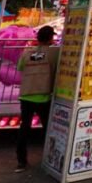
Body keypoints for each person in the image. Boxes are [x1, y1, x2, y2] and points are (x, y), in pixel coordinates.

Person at [16, 25, 60, 172]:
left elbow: (20, 67)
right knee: (48, 128)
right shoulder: (54, 52)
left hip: (26, 95)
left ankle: (21, 160)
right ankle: (50, 157)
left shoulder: (27, 53)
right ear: (50, 38)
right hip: (44, 95)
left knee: (24, 128)